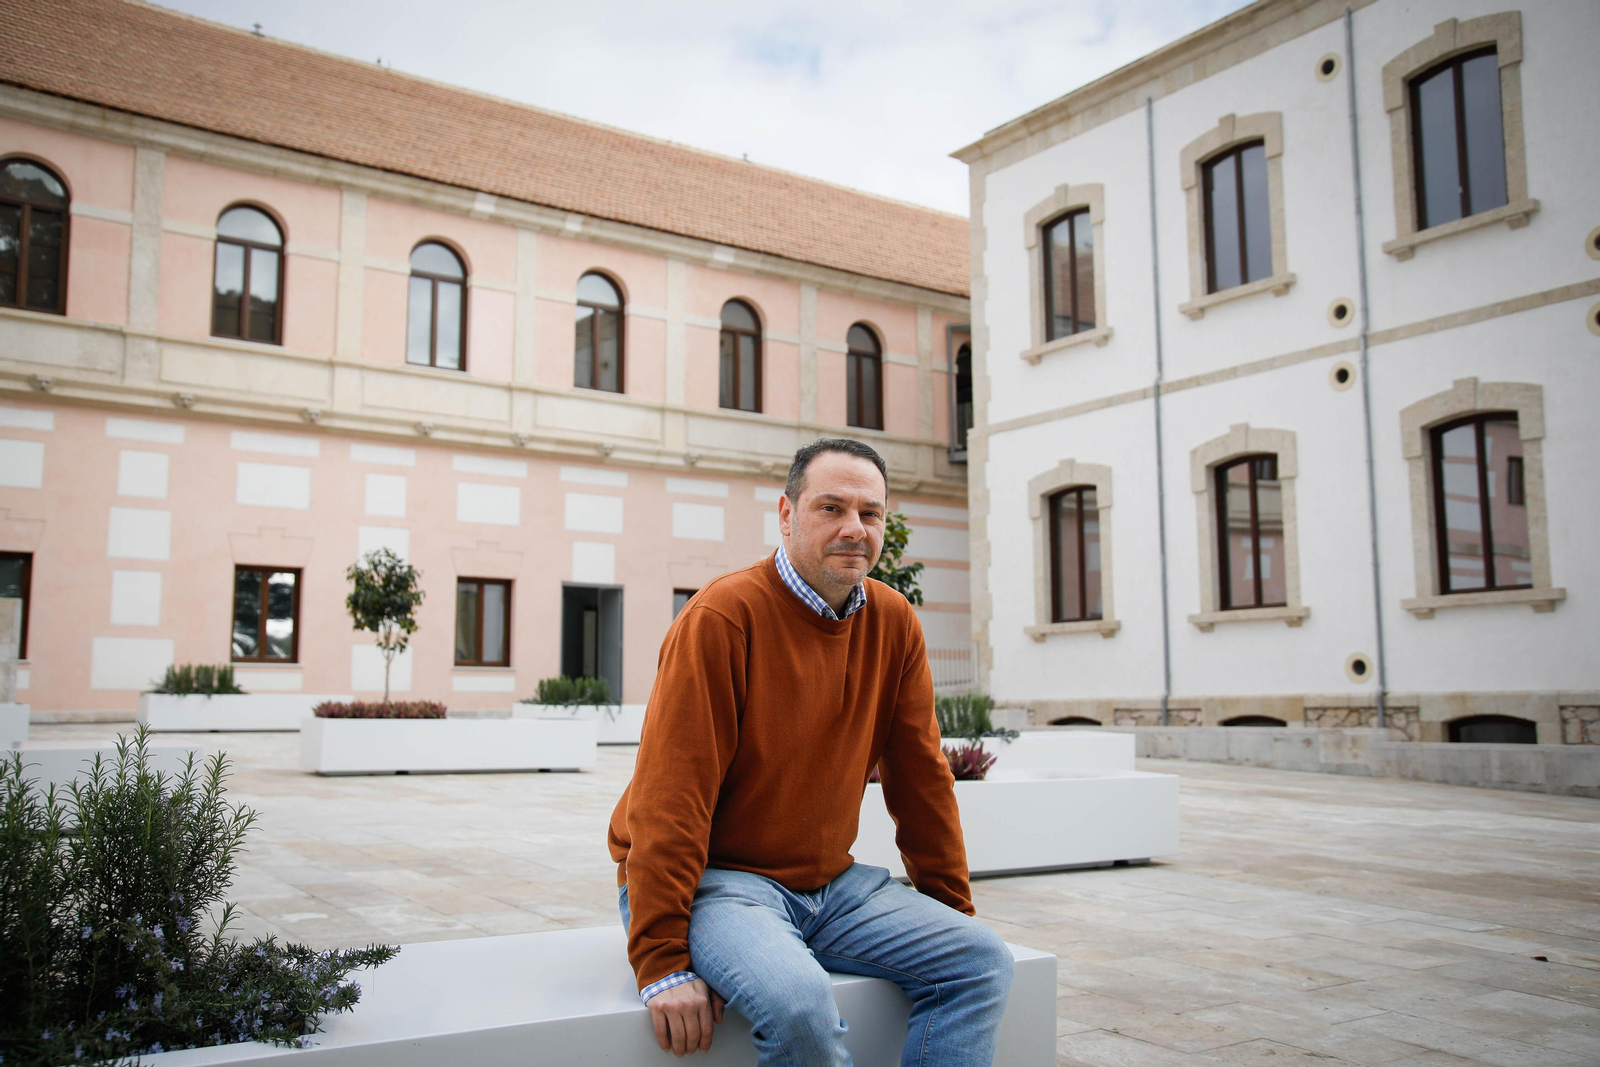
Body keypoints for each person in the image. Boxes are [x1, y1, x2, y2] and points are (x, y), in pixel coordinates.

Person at [608, 438, 1014, 1065]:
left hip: (832, 886)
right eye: (832, 508)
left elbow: (921, 781)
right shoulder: (723, 617)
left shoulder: (893, 621)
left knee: (981, 961)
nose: (855, 528)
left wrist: (950, 916)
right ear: (788, 514)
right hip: (719, 884)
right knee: (800, 1004)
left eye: (871, 513)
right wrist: (660, 959)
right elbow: (671, 796)